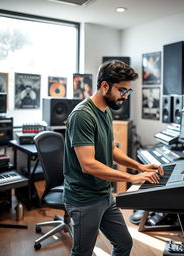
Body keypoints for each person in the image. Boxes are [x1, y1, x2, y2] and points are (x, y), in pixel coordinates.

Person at [63, 60, 163, 256]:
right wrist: (130, 178)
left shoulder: (106, 111)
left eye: (128, 91)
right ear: (104, 86)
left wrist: (139, 167)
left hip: (104, 194)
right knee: (82, 252)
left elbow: (111, 149)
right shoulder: (82, 115)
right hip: (84, 199)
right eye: (122, 90)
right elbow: (88, 164)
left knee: (124, 244)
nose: (125, 96)